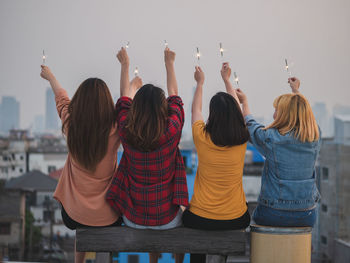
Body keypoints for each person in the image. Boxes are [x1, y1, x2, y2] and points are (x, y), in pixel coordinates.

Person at [106, 47, 188, 263]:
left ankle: (153, 261)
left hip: (134, 217)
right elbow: (176, 99)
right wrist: (169, 63)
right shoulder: (171, 130)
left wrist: (125, 65)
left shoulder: (126, 129)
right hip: (167, 218)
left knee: (154, 209)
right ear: (162, 109)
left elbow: (123, 100)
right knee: (179, 215)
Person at [40, 66, 125, 263]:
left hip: (73, 215)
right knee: (99, 221)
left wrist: (50, 76)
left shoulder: (71, 124)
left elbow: (61, 99)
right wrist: (130, 79)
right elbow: (124, 105)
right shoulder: (114, 131)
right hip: (108, 217)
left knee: (83, 219)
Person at [183, 63, 251, 263]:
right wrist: (227, 80)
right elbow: (238, 112)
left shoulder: (202, 137)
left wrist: (200, 83)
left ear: (212, 114)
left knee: (189, 222)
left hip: (200, 217)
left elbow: (196, 109)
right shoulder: (242, 139)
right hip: (235, 217)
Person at [235, 77, 321, 227]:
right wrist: (296, 91)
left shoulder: (271, 139)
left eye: (277, 110)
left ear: (284, 115)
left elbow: (250, 124)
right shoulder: (314, 136)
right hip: (307, 214)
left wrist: (244, 102)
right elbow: (306, 116)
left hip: (274, 213)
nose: (274, 114)